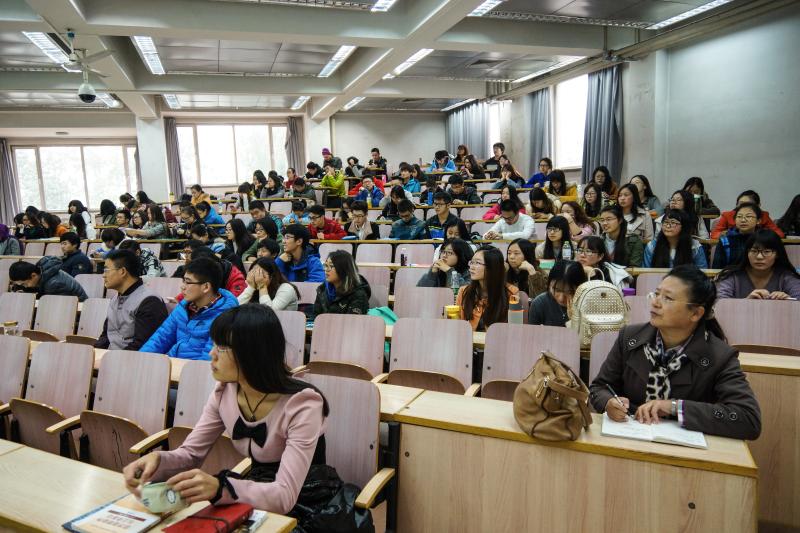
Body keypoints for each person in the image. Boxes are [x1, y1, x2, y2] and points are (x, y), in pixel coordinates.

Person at [122, 304, 329, 513]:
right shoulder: (225, 392)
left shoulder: (303, 404)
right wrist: (158, 461)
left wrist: (220, 487)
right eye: (214, 344)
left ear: (253, 353)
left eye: (222, 347)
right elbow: (191, 455)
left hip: (307, 500)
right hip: (255, 492)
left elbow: (285, 496)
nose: (211, 354)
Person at [589, 264, 761, 440]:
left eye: (668, 299)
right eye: (656, 294)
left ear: (696, 313)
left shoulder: (719, 356)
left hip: (686, 449)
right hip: (630, 438)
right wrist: (608, 402)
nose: (655, 303)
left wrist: (675, 407)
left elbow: (748, 419)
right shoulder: (630, 337)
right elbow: (600, 387)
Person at [140, 257, 238, 360]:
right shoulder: (183, 307)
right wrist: (141, 360)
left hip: (195, 368)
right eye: (184, 281)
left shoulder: (225, 316)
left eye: (188, 282)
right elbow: (160, 338)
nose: (182, 287)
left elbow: (209, 360)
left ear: (206, 287)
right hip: (174, 362)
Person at [95, 249, 169, 350]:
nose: (103, 275)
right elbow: (106, 336)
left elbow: (142, 345)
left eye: (107, 270)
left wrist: (112, 358)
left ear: (122, 271)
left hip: (132, 358)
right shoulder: (115, 299)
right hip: (112, 356)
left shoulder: (149, 302)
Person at [716, 230, 800, 299]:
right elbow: (720, 303)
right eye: (754, 251)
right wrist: (746, 302)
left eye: (766, 251)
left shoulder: (787, 276)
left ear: (777, 254)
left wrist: (790, 301)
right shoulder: (732, 276)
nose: (759, 257)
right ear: (747, 252)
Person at [456, 246, 518, 332]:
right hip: (468, 339)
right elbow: (458, 324)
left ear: (492, 267)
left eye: (477, 263)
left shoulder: (512, 293)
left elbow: (515, 329)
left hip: (497, 339)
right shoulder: (464, 291)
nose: (471, 267)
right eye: (472, 262)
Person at [528, 260, 587, 327]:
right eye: (557, 290)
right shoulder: (539, 304)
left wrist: (574, 319)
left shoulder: (588, 305)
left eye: (569, 292)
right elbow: (532, 332)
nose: (561, 298)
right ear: (549, 284)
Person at [644, 209, 708, 269]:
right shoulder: (652, 246)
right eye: (665, 222)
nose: (668, 226)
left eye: (673, 223)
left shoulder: (695, 247)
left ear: (683, 226)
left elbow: (702, 271)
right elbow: (645, 272)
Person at [313, 251, 370, 316]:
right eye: (326, 265)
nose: (326, 269)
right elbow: (315, 317)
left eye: (331, 266)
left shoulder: (358, 295)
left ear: (344, 269)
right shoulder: (322, 290)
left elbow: (353, 320)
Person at [711, 190, 784, 239]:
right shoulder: (727, 215)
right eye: (740, 204)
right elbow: (714, 234)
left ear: (758, 206)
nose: (743, 207)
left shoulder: (763, 216)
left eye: (748, 204)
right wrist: (728, 234)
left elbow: (779, 234)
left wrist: (762, 233)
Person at [9, 256, 88, 301]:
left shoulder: (54, 283)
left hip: (78, 310)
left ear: (33, 275)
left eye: (24, 284)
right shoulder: (43, 272)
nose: (25, 286)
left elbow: (53, 305)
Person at [712, 202, 764, 269]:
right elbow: (716, 268)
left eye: (748, 216)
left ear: (758, 221)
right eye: (739, 216)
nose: (743, 220)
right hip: (730, 274)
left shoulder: (764, 239)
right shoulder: (725, 241)